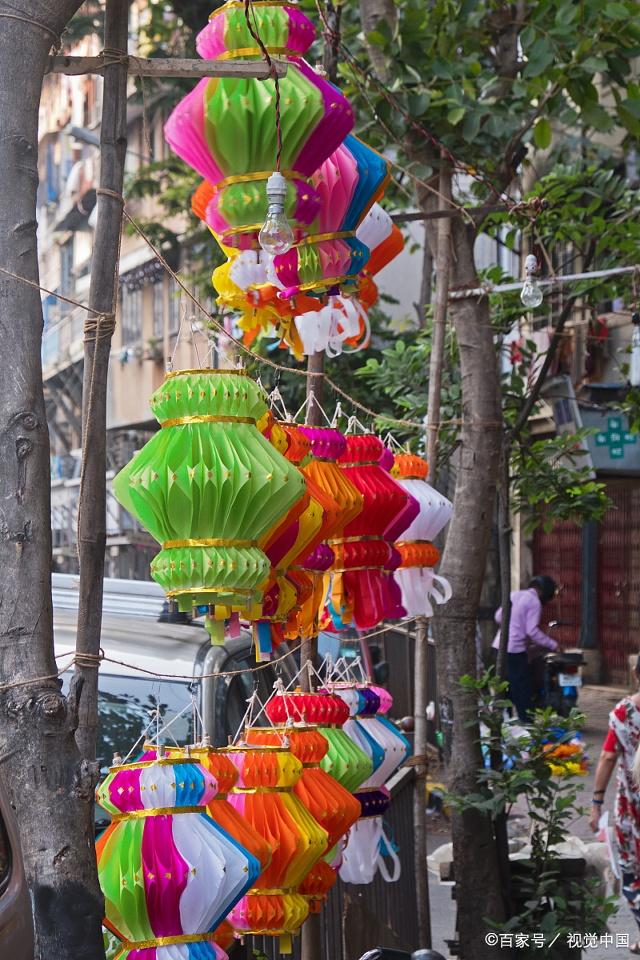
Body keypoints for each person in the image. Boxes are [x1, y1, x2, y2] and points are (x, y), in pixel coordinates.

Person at [590, 658, 640, 954]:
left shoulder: (625, 712)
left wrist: (596, 804)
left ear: (635, 674)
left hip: (632, 809)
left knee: (630, 869)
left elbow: (608, 757)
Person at [492, 575, 559, 722]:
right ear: (544, 593)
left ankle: (503, 718)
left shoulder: (514, 594)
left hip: (498, 646)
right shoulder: (534, 602)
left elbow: (498, 617)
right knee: (522, 688)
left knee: (503, 686)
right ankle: (526, 721)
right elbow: (532, 631)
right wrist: (553, 645)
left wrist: (512, 627)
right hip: (514, 651)